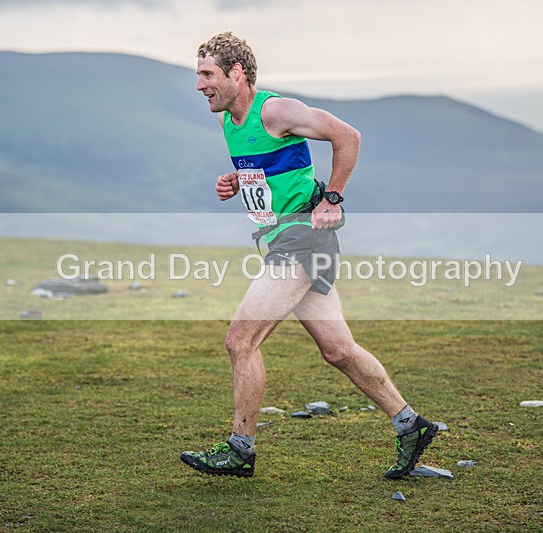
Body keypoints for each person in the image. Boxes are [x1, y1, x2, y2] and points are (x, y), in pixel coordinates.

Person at [180, 32, 437, 479]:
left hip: (302, 242)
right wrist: (238, 181)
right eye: (198, 75)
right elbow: (276, 168)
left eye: (207, 74)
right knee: (338, 351)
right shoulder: (229, 121)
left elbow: (348, 136)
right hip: (283, 240)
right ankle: (411, 425)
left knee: (240, 341)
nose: (200, 85)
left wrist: (333, 198)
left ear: (236, 73)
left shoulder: (274, 110)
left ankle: (240, 450)